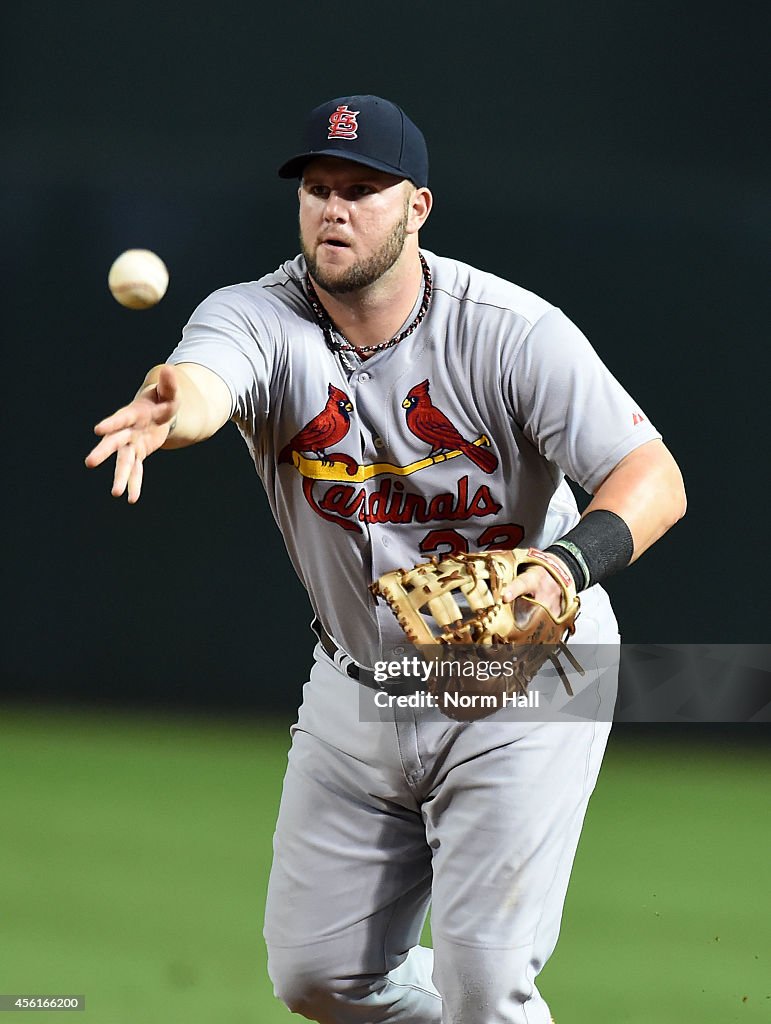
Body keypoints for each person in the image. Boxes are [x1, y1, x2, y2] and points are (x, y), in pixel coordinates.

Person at [86, 94, 686, 1024]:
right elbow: (209, 379)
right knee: (317, 979)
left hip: (525, 672)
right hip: (362, 679)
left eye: (363, 189)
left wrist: (566, 564)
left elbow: (651, 475)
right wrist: (180, 407)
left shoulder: (508, 330)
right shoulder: (256, 316)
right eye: (319, 187)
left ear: (417, 208)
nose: (335, 207)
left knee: (484, 983)